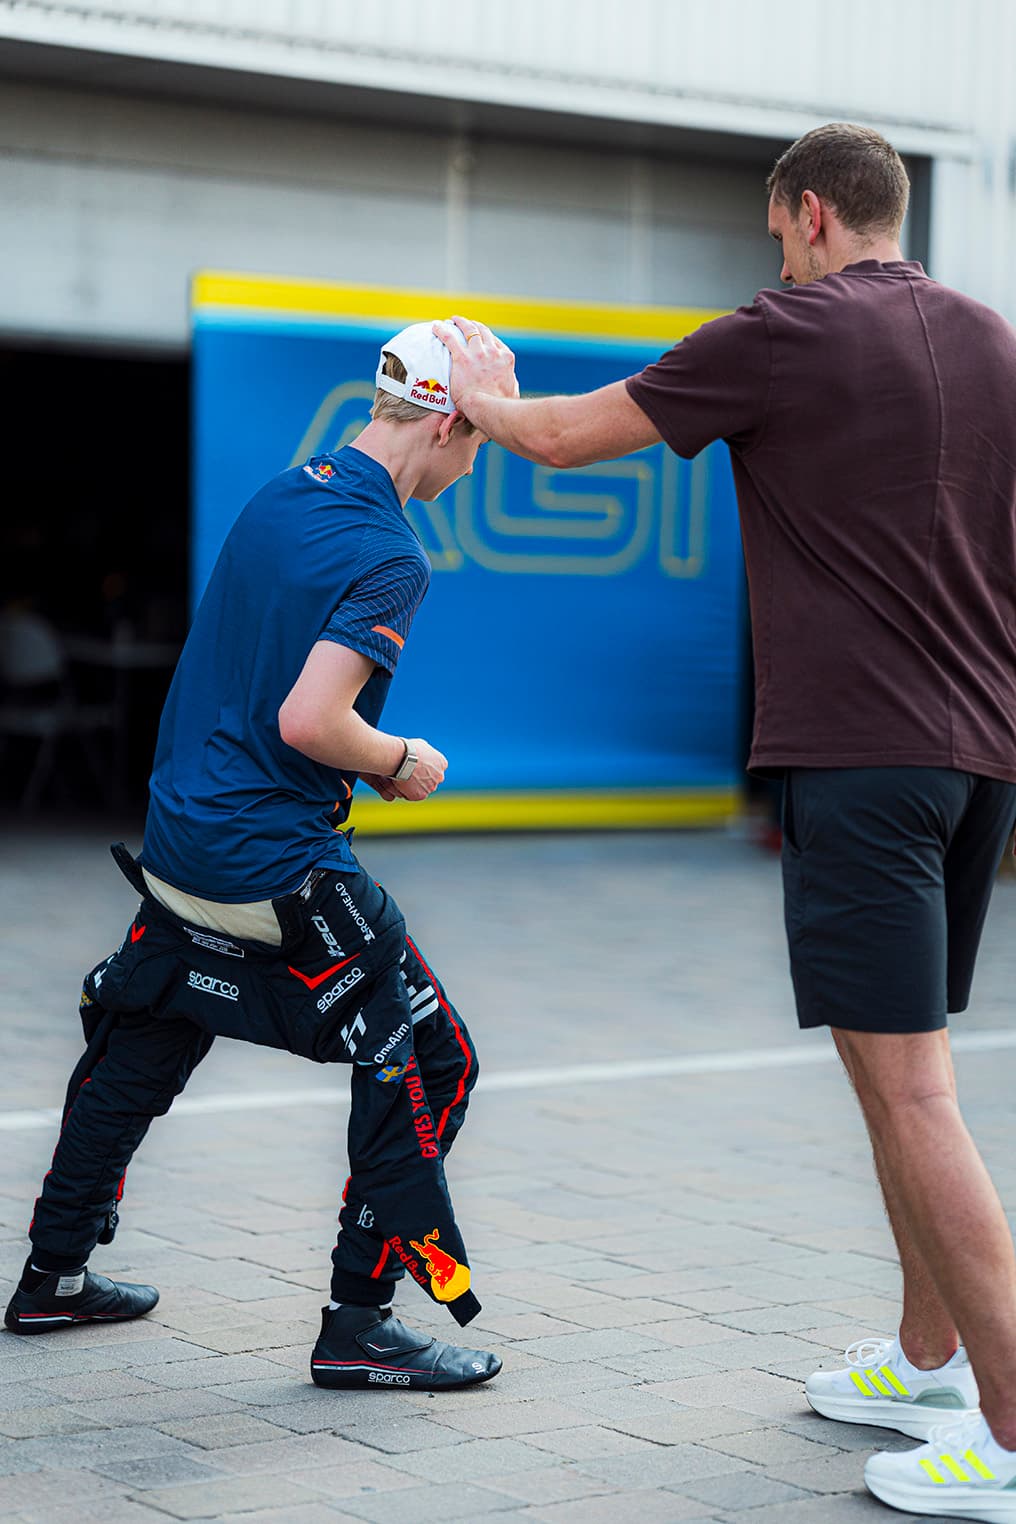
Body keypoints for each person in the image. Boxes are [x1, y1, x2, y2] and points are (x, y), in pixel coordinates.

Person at [434, 124, 1016, 1518]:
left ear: (811, 213)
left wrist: (479, 390)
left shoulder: (789, 332)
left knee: (915, 1092)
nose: (776, 254)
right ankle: (930, 1361)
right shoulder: (993, 340)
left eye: (775, 232)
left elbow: (570, 441)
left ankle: (1009, 1426)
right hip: (976, 762)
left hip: (863, 761)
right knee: (895, 1081)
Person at [4, 322, 512, 1394]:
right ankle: (361, 1324)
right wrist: (399, 760)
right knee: (431, 1060)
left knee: (147, 1029)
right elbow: (309, 721)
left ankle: (53, 1274)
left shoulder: (285, 493)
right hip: (272, 861)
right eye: (484, 441)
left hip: (180, 842)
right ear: (449, 422)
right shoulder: (391, 555)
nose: (476, 465)